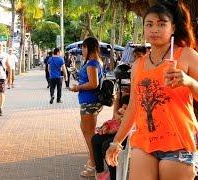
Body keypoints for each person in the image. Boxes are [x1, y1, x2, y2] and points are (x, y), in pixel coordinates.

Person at [106, 2, 198, 180]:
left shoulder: (186, 55)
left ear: (173, 28)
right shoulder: (138, 64)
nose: (154, 29)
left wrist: (188, 82)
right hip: (144, 142)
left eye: (162, 24)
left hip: (178, 143)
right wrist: (116, 141)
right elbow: (133, 106)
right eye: (149, 24)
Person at [69, 37, 104, 177]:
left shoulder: (92, 63)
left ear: (88, 48)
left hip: (89, 101)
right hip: (90, 101)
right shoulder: (96, 62)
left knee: (89, 133)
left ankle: (94, 164)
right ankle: (93, 161)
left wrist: (78, 87)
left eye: (83, 48)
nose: (82, 51)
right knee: (86, 130)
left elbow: (93, 84)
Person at [92, 95, 129, 180]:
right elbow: (113, 119)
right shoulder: (120, 95)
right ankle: (100, 173)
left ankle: (114, 176)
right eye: (122, 108)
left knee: (107, 145)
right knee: (96, 139)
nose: (122, 110)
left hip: (127, 134)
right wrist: (105, 127)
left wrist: (120, 118)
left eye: (125, 108)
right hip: (116, 131)